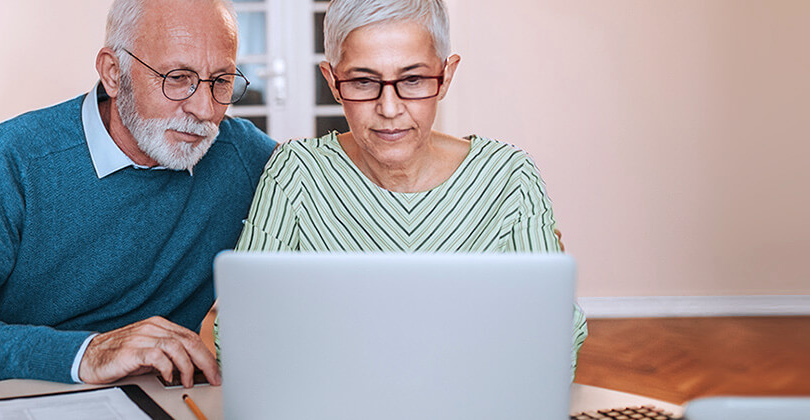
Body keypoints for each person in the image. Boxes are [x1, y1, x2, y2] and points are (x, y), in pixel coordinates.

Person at [0, 0, 275, 391]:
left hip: (153, 402)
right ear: (113, 73)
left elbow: (327, 175)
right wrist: (86, 353)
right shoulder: (17, 157)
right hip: (15, 398)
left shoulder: (242, 156)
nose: (205, 109)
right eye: (177, 77)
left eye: (221, 81)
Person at [225, 0, 588, 373]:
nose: (389, 108)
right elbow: (240, 331)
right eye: (364, 81)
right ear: (333, 81)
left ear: (445, 77)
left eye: (412, 80)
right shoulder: (295, 173)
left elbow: (556, 338)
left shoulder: (510, 178)